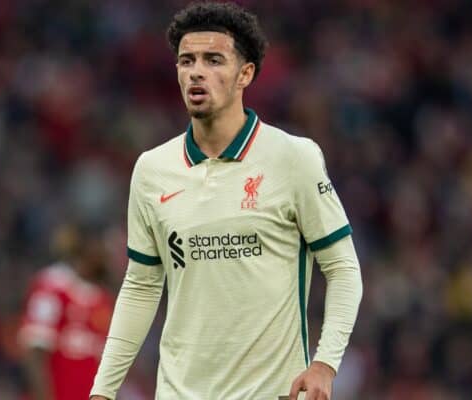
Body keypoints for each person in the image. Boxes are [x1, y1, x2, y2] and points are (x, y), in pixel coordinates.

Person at [90, 2, 363, 399]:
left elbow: (342, 267)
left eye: (214, 59)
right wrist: (103, 389)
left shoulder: (294, 158)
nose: (197, 71)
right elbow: (141, 286)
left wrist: (325, 363)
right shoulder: (152, 169)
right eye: (187, 61)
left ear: (245, 74)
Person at [18, 225, 114, 400]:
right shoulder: (52, 285)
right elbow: (34, 351)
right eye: (104, 245)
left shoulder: (103, 298)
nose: (108, 254)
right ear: (87, 247)